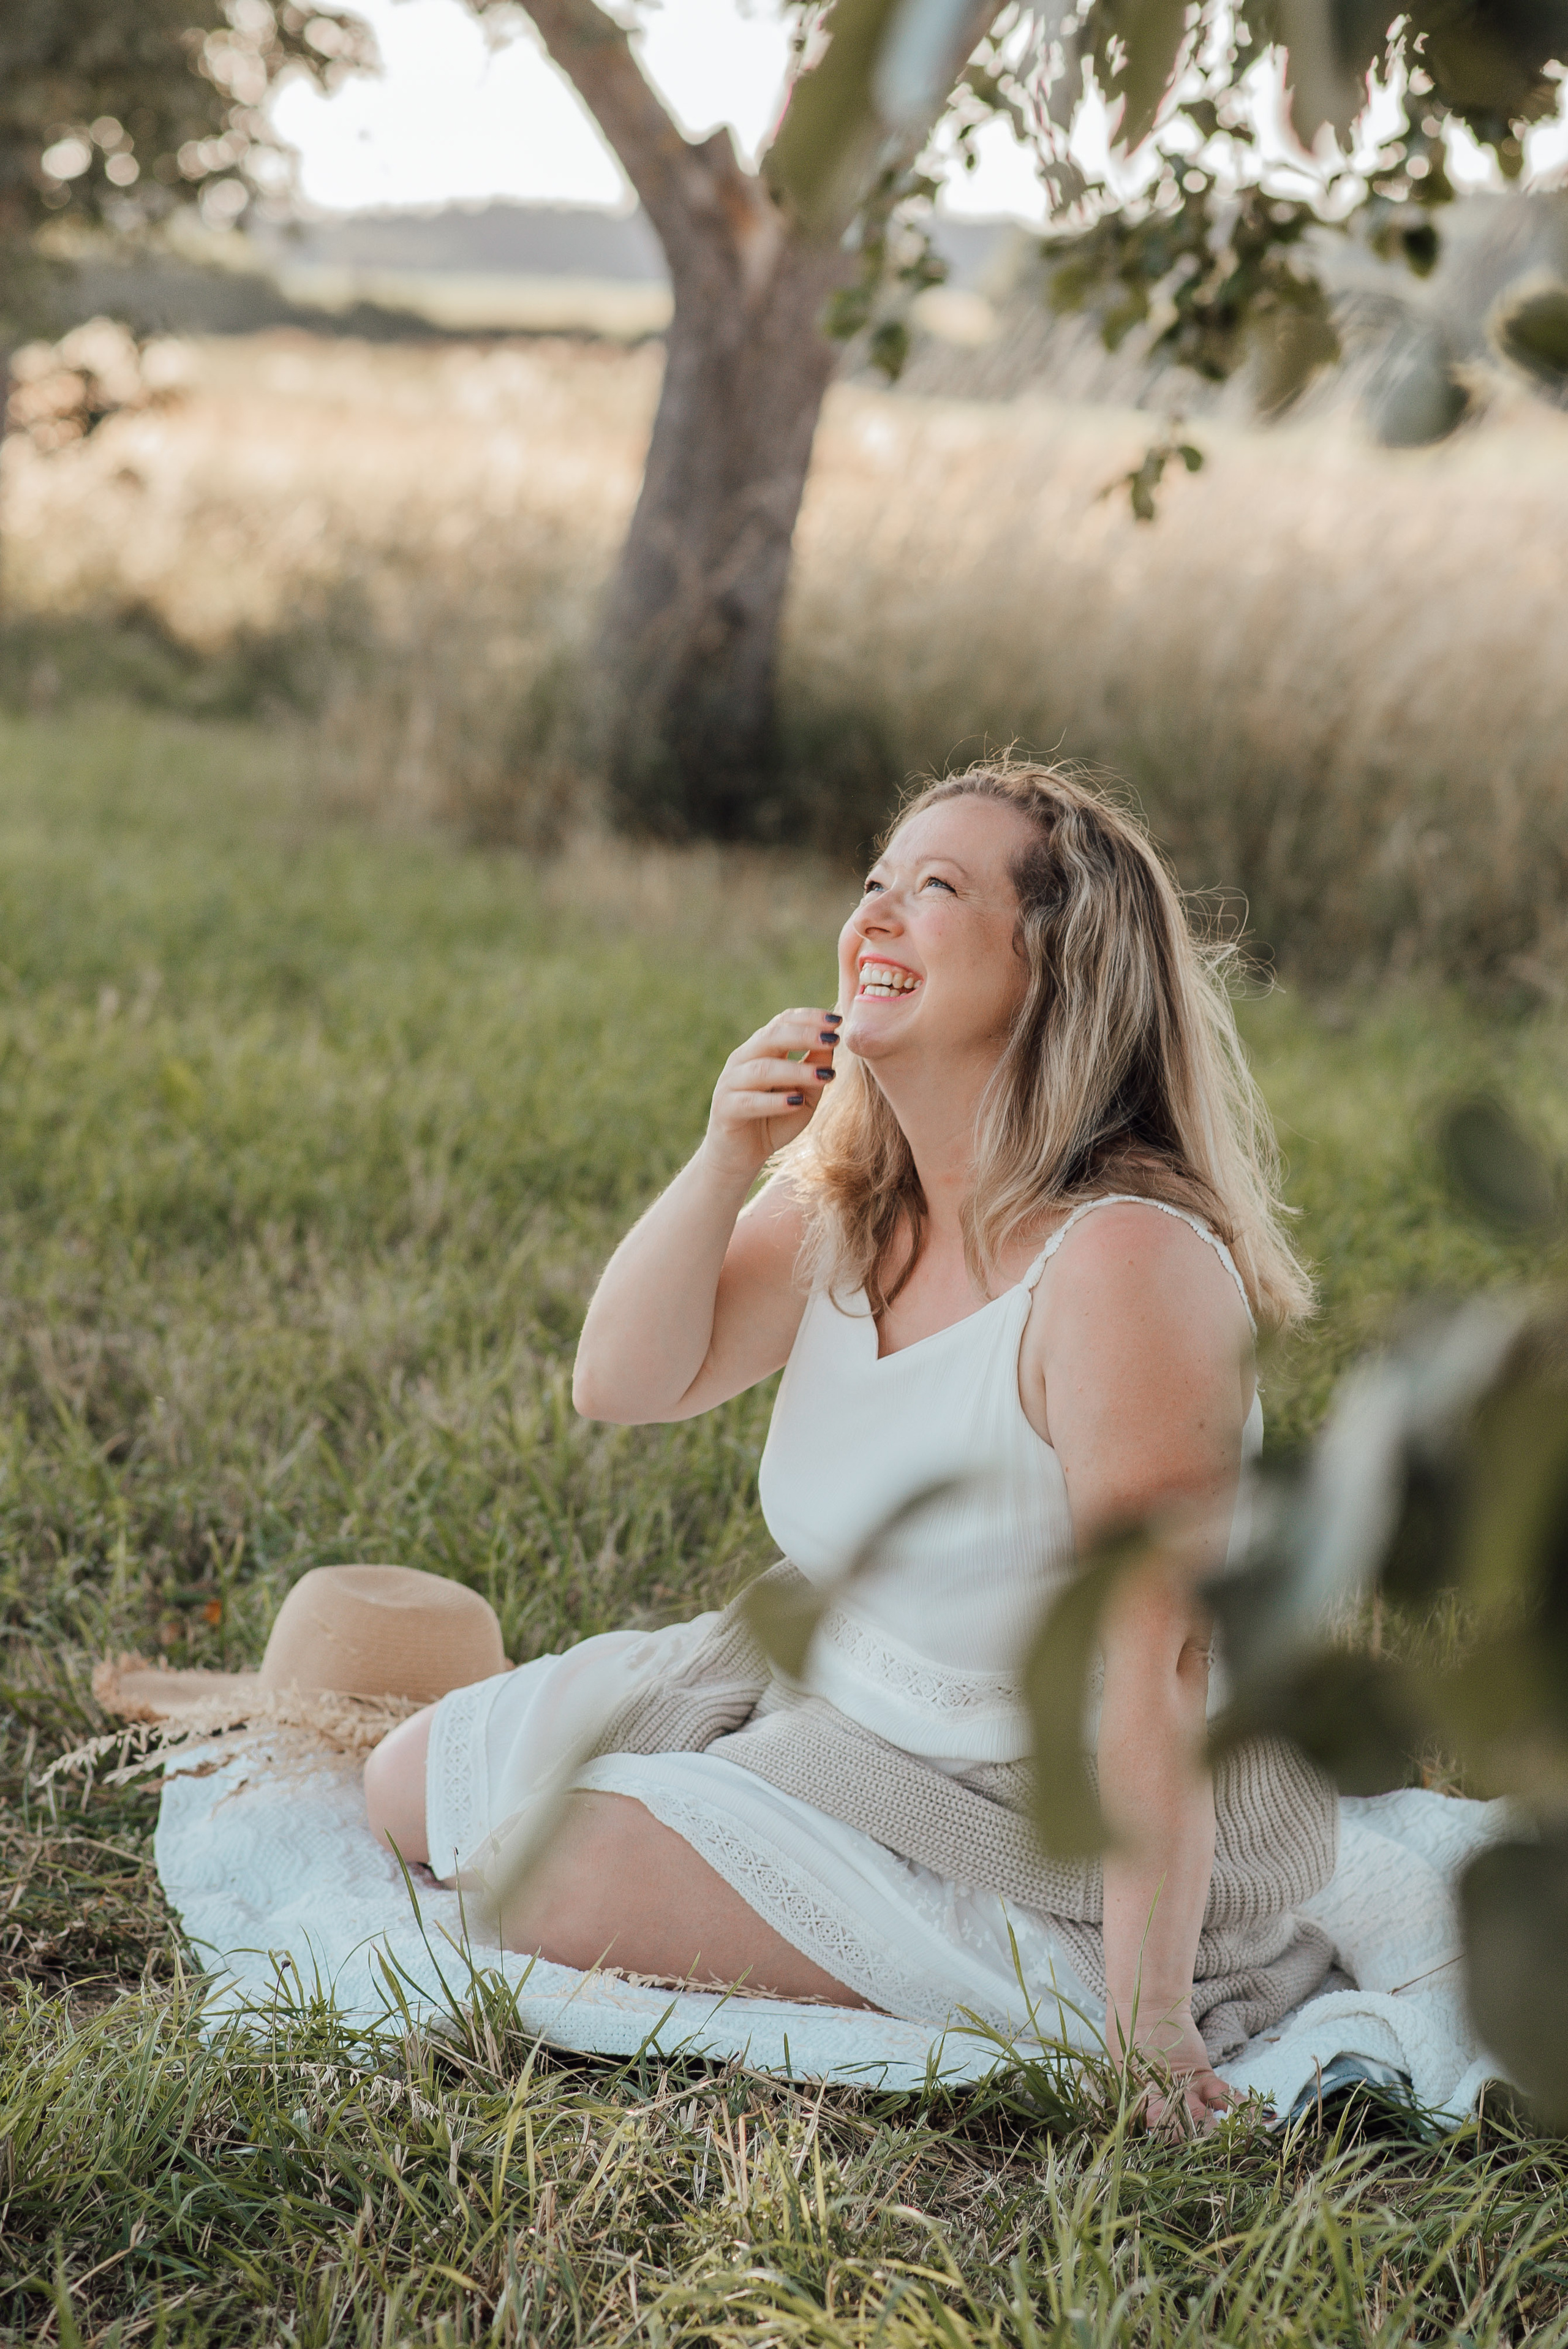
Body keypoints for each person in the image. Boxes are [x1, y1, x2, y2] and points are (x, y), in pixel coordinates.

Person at [364, 760, 1335, 2132]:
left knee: (545, 1877)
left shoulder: (1121, 1266)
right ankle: (757, 1818)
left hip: (1025, 1793)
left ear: (1054, 966)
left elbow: (1157, 1658)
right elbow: (622, 1383)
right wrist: (723, 1154)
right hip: (832, 1694)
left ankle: (1005, 1957)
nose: (873, 916)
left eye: (933, 889)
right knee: (406, 1785)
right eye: (872, 882)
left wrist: (1149, 2024)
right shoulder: (852, 1205)